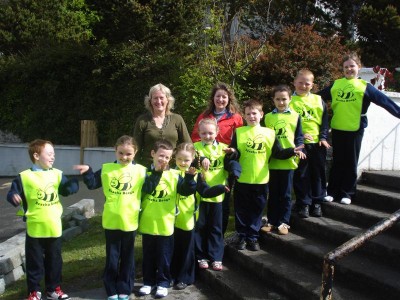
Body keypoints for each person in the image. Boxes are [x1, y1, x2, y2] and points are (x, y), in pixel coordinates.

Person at [73, 135, 151, 300]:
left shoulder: (142, 171)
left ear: (135, 152)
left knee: (128, 258)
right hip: (111, 221)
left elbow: (149, 190)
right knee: (113, 258)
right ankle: (111, 289)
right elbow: (93, 183)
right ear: (115, 151)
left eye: (128, 154)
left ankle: (124, 288)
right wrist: (87, 171)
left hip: (130, 221)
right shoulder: (107, 169)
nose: (124, 157)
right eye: (121, 153)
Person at [318, 53, 400, 205]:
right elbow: (317, 98)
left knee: (350, 161)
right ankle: (332, 192)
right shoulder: (336, 84)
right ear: (342, 69)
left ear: (359, 68)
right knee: (338, 161)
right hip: (338, 127)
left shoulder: (364, 86)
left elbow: (385, 102)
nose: (349, 69)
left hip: (355, 128)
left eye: (352, 66)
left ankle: (347, 193)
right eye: (346, 67)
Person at [227, 100, 305, 251]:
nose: (251, 116)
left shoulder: (270, 133)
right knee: (242, 209)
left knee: (257, 209)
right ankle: (242, 236)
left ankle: (253, 237)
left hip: (261, 179)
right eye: (248, 114)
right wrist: (232, 153)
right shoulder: (239, 132)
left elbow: (278, 153)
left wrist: (291, 151)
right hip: (243, 178)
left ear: (261, 115)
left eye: (254, 113)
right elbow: (235, 152)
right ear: (244, 116)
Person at [7, 139, 79, 300]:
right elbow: (11, 193)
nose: (53, 157)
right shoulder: (24, 177)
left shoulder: (57, 174)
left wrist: (73, 185)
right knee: (35, 264)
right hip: (35, 229)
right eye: (49, 154)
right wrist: (14, 196)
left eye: (54, 154)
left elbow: (67, 189)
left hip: (54, 227)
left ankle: (54, 289)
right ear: (36, 155)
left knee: (54, 262)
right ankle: (34, 292)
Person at [138, 139, 197, 299]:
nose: (163, 160)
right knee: (148, 255)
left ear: (170, 159)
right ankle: (148, 282)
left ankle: (163, 283)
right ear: (153, 154)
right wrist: (157, 172)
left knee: (164, 256)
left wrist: (190, 179)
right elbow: (147, 189)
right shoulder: (144, 174)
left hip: (166, 224)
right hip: (148, 223)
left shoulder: (175, 175)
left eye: (166, 157)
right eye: (160, 156)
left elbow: (185, 191)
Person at [170, 142, 227, 290]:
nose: (183, 163)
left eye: (186, 160)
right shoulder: (170, 174)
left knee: (187, 250)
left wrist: (220, 189)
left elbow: (206, 192)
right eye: (180, 159)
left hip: (188, 219)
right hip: (170, 221)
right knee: (173, 249)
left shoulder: (197, 176)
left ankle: (185, 277)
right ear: (174, 157)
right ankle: (171, 276)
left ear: (193, 159)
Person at [191, 82, 243, 234]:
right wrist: (203, 155)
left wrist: (233, 150)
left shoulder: (236, 118)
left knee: (223, 200)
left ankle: (219, 235)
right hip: (205, 162)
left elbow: (240, 139)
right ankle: (202, 234)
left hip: (224, 161)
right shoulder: (204, 116)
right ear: (213, 98)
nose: (221, 99)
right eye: (218, 96)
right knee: (203, 198)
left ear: (229, 99)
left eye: (224, 97)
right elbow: (195, 138)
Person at [194, 118, 241, 271]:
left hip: (218, 196)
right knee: (200, 227)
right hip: (200, 196)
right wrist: (200, 159)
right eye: (203, 133)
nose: (207, 136)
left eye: (210, 133)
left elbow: (232, 161)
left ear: (217, 132)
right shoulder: (194, 148)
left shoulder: (224, 148)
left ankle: (216, 257)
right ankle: (201, 256)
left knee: (216, 228)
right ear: (199, 133)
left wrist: (233, 153)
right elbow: (188, 161)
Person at [263, 85, 305, 235]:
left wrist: (301, 150)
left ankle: (284, 222)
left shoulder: (295, 116)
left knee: (286, 194)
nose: (281, 102)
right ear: (273, 100)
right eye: (278, 99)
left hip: (288, 162)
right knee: (273, 193)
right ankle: (272, 221)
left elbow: (299, 136)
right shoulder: (268, 117)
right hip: (273, 161)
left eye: (284, 99)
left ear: (290, 99)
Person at [290, 69, 330, 218]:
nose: (303, 86)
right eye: (300, 82)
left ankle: (317, 203)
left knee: (318, 173)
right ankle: (304, 204)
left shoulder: (318, 100)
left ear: (312, 85)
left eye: (307, 83)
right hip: (300, 145)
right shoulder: (289, 101)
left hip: (317, 144)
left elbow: (325, 121)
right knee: (301, 175)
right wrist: (298, 136)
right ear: (294, 82)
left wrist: (323, 137)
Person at [133, 83, 191, 168]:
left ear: (168, 100)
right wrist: (135, 168)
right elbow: (135, 148)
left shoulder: (177, 119)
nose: (158, 101)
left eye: (161, 98)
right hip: (148, 168)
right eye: (155, 98)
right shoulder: (142, 121)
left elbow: (188, 145)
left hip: (173, 169)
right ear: (150, 101)